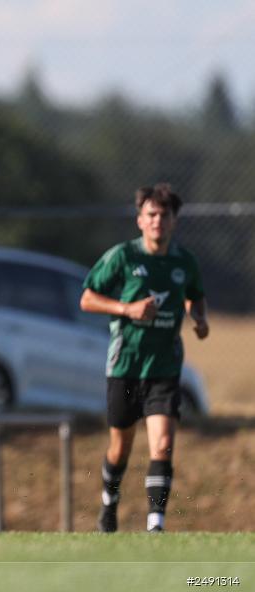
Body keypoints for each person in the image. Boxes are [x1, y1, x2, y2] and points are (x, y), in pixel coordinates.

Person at [79, 183, 209, 533]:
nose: (157, 221)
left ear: (173, 222)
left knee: (163, 444)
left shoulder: (184, 262)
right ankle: (109, 503)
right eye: (151, 215)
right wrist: (127, 308)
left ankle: (156, 525)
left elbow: (194, 296)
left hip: (164, 367)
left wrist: (198, 317)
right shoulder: (124, 256)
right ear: (140, 220)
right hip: (125, 365)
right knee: (120, 448)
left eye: (164, 215)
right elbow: (88, 298)